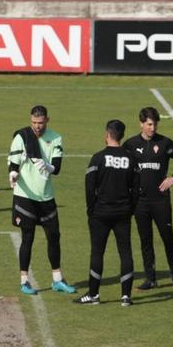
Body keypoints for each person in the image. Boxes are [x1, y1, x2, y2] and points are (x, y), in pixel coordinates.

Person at [7, 105, 75, 295]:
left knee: (54, 237)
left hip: (46, 197)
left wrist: (47, 166)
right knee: (27, 238)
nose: (37, 126)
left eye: (41, 123)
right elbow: (13, 163)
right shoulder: (21, 136)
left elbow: (57, 168)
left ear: (47, 120)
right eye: (34, 123)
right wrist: (12, 175)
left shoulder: (55, 138)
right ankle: (24, 282)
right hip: (24, 196)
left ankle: (58, 280)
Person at [123, 107, 173, 290]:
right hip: (140, 202)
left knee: (168, 237)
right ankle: (150, 278)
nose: (152, 128)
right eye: (149, 124)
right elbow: (122, 168)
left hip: (160, 200)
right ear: (141, 124)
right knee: (146, 240)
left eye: (155, 124)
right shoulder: (130, 145)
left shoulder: (165, 143)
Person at [74, 120, 140, 306]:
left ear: (107, 135)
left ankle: (93, 294)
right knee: (125, 252)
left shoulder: (98, 158)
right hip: (123, 213)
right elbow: (136, 189)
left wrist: (91, 210)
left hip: (100, 214)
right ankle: (126, 296)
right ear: (122, 136)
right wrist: (130, 209)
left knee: (97, 252)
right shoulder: (131, 159)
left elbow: (89, 187)